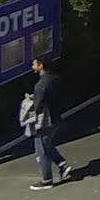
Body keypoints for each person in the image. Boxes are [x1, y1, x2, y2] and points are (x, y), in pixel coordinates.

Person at [24, 54, 71, 189]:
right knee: (47, 144)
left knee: (41, 149)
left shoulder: (41, 85)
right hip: (56, 116)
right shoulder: (55, 78)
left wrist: (30, 102)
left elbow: (37, 106)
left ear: (41, 66)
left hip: (46, 119)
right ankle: (62, 165)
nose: (33, 66)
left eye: (34, 64)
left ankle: (46, 180)